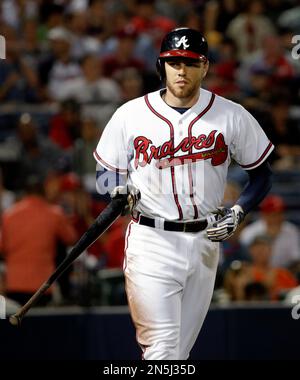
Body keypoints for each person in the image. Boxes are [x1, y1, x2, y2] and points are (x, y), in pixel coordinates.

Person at [94, 27, 274, 360]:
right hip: (151, 240)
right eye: (173, 61)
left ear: (205, 66)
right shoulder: (130, 115)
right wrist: (118, 190)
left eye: (190, 63)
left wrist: (239, 211)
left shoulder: (232, 115)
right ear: (161, 65)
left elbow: (262, 175)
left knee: (177, 354)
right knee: (161, 351)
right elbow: (105, 172)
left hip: (206, 243)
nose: (181, 70)